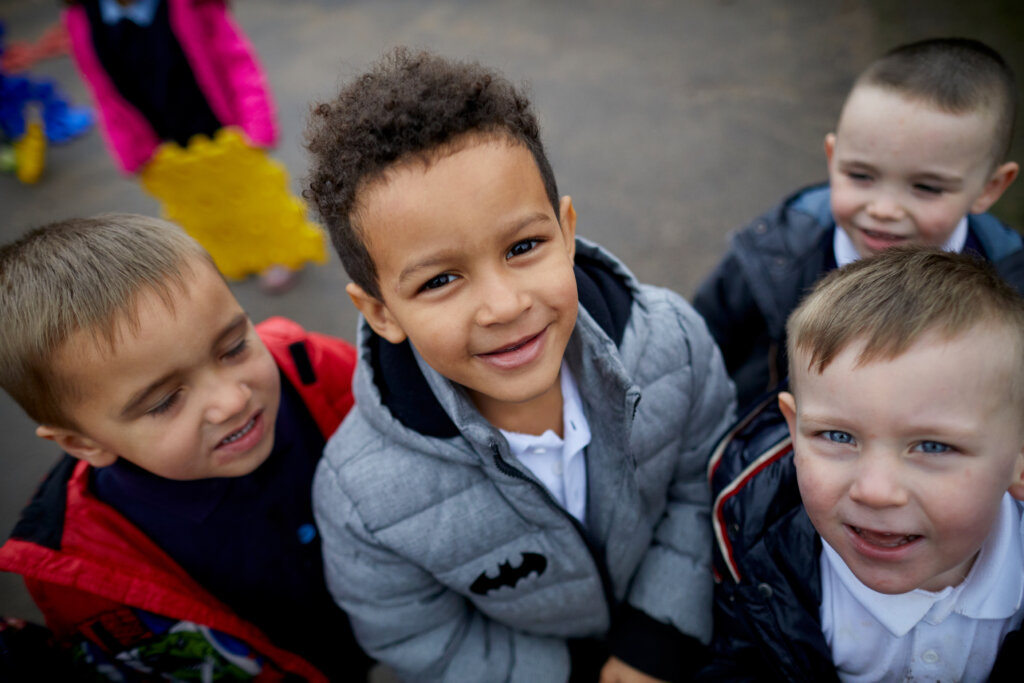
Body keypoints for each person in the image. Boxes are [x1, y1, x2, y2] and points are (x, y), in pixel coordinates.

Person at [304, 48, 736, 682]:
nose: (504, 306)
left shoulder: (670, 342)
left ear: (566, 230)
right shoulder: (362, 497)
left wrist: (657, 639)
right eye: (441, 280)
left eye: (524, 246)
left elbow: (708, 484)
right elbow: (418, 635)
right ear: (380, 311)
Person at [0, 215, 371, 681]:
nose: (233, 400)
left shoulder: (319, 369)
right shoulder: (87, 573)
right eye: (165, 401)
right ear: (83, 443)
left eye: (233, 347)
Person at [704, 247, 1024, 682]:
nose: (874, 490)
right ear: (794, 431)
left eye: (931, 446)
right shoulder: (753, 539)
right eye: (838, 436)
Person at [693, 37, 1022, 411]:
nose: (883, 209)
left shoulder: (1012, 283)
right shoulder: (775, 256)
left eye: (926, 187)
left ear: (990, 188)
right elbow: (705, 349)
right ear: (833, 159)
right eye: (861, 176)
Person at [62, 0, 327, 291]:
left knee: (251, 192)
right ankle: (234, 253)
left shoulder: (191, 5)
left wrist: (256, 122)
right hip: (164, 138)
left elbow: (235, 59)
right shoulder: (83, 20)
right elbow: (104, 92)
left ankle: (277, 252)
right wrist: (130, 148)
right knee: (201, 204)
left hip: (220, 123)